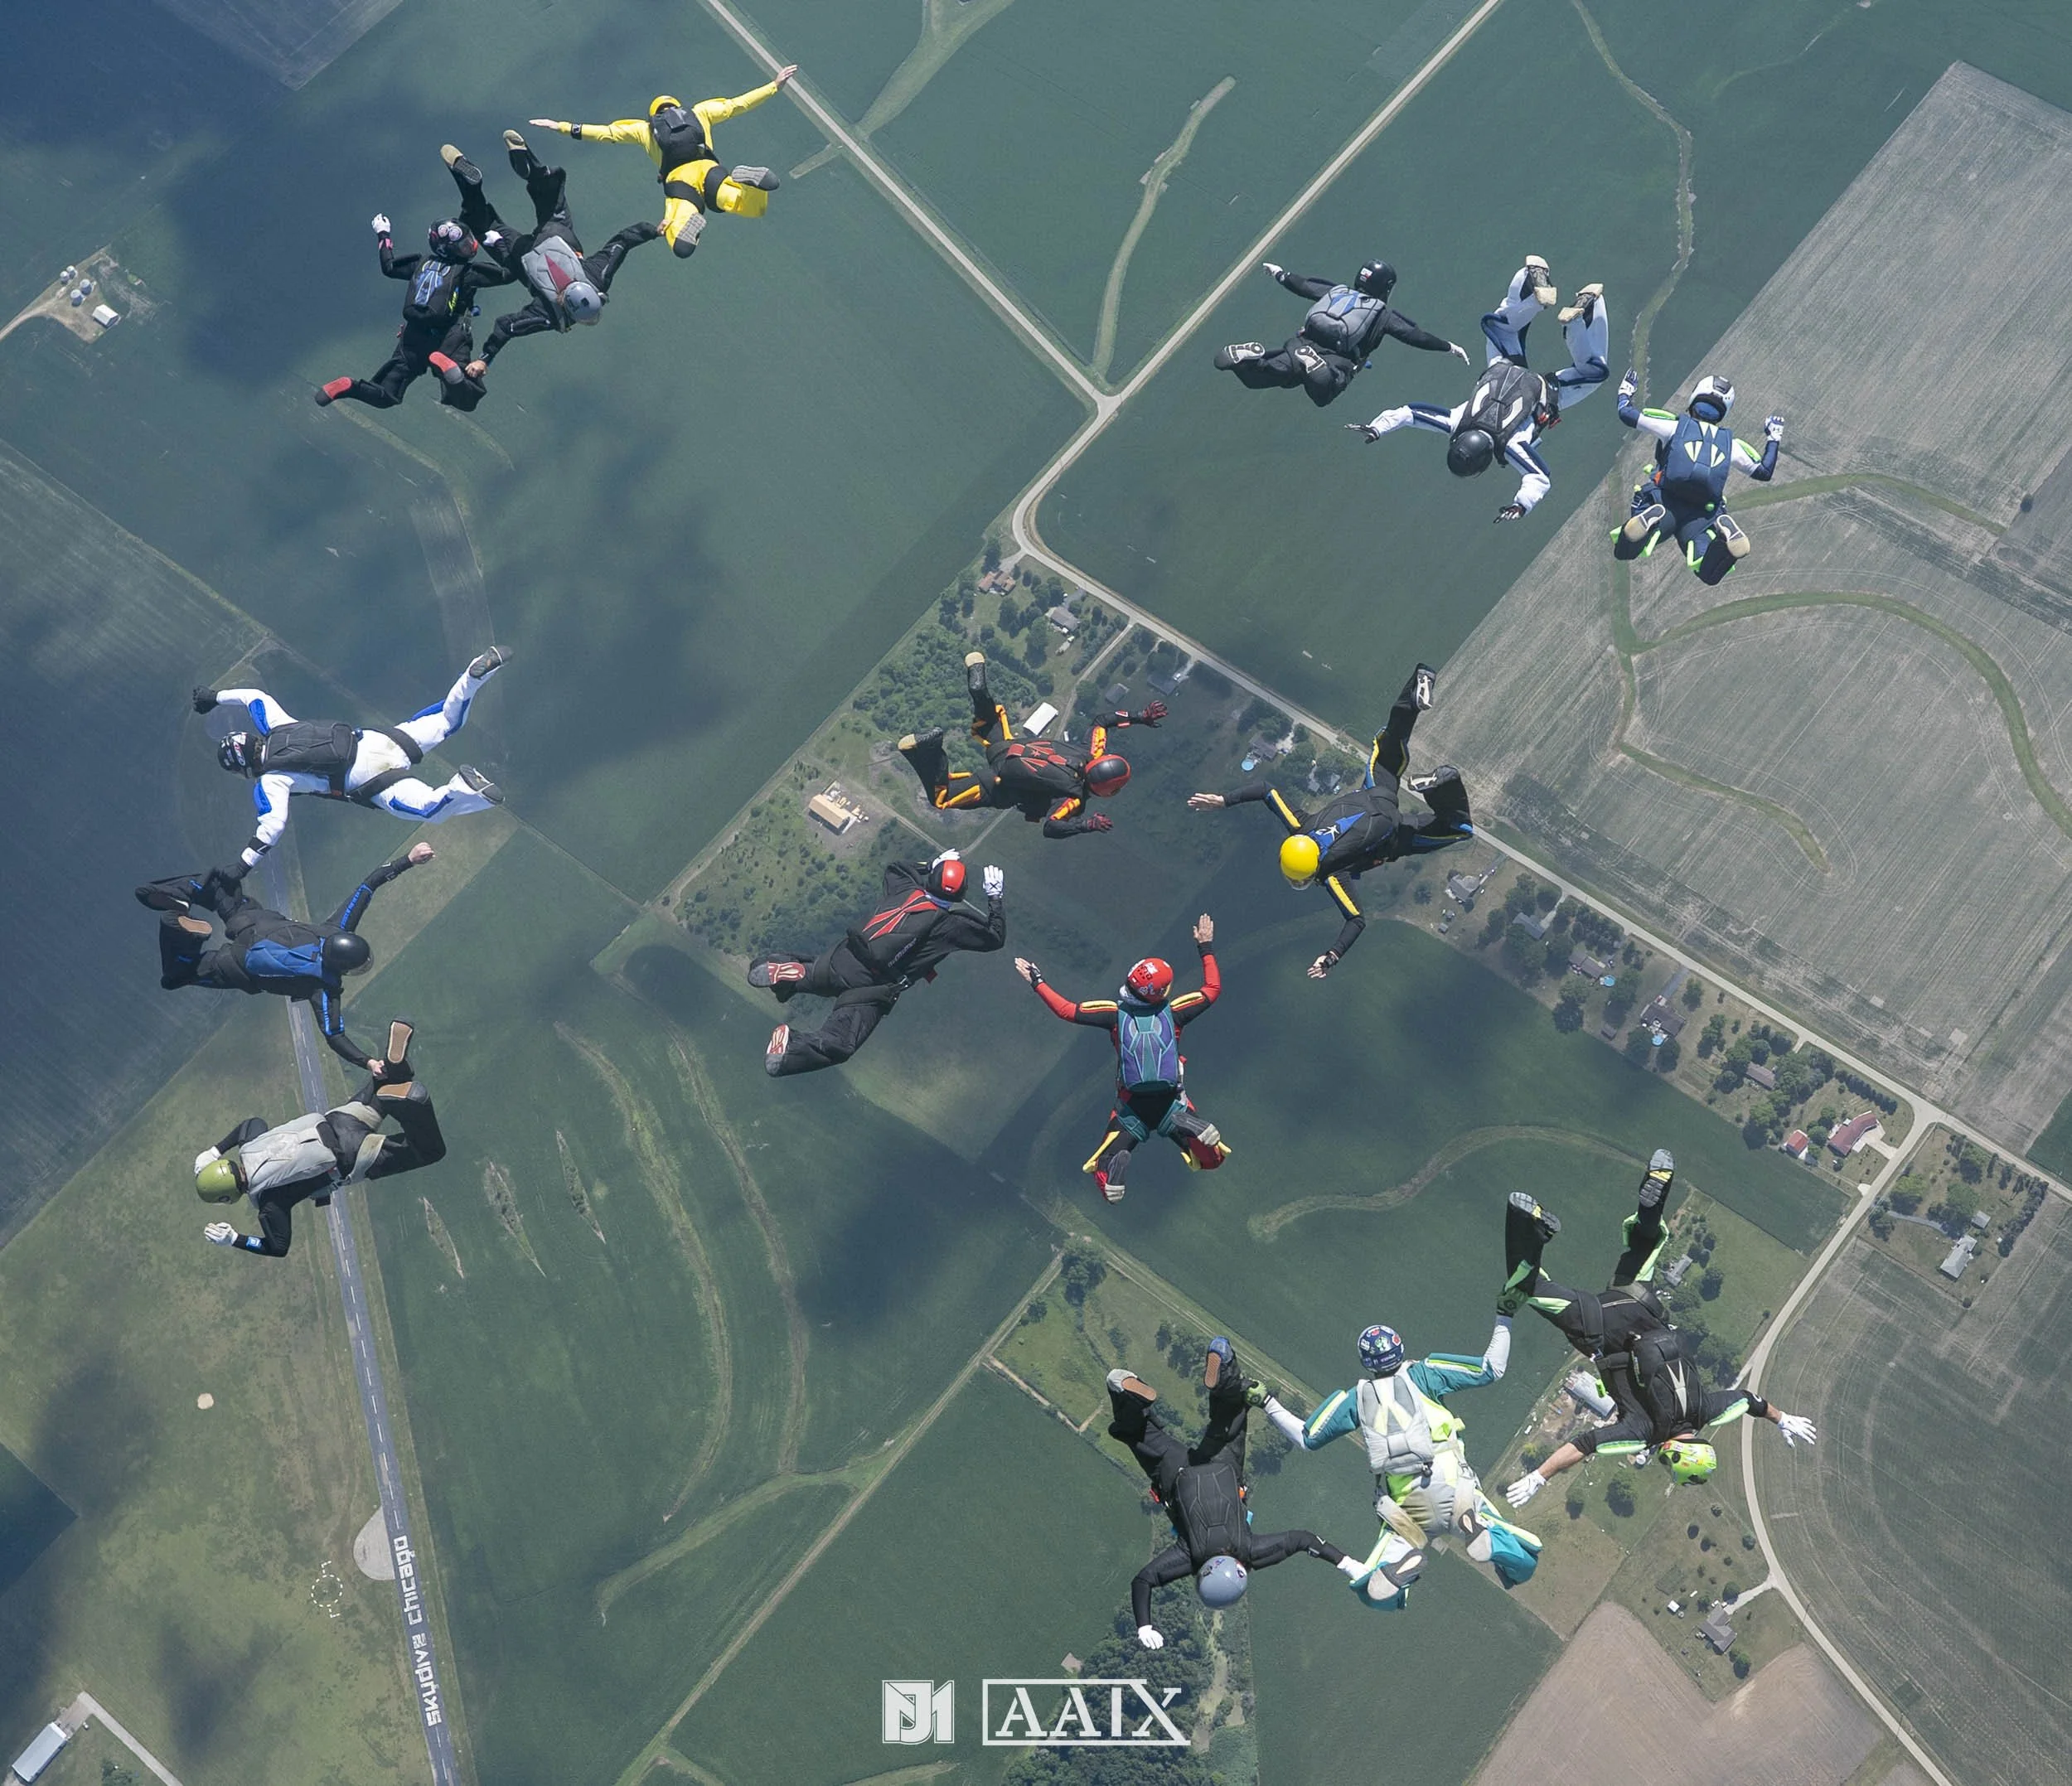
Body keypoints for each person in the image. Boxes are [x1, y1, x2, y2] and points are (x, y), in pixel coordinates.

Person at [1497, 1153, 1818, 1509]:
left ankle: (1657, 1190)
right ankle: (1531, 1224)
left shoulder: (1708, 1410)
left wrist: (1782, 1419)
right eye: (1668, 1461)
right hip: (1598, 1327)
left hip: (1642, 1305)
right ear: (1674, 1453)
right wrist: (1539, 1476)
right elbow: (1585, 1444)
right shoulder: (1643, 1432)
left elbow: (1748, 1401)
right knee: (1526, 1288)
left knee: (1644, 1247)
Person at [1188, 665, 1470, 977]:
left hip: (1396, 833)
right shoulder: (1301, 826)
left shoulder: (1334, 875)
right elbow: (1266, 791)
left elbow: (1356, 921)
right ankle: (1417, 690)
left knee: (1457, 829)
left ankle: (1443, 783)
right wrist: (1225, 800)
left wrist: (1331, 957)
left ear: (1309, 873)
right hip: (1376, 791)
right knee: (1391, 742)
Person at [1261, 1318, 1541, 1609]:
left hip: (1406, 1511)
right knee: (1524, 1561)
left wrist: (1267, 1402)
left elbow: (1307, 1438)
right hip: (1457, 1491)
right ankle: (1487, 1539)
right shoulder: (1425, 1373)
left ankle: (1404, 1567)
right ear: (1400, 1347)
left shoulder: (1357, 1398)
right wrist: (1504, 1316)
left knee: (1372, 1590)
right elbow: (1491, 1369)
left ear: (1366, 1362)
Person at [1109, 1341, 1355, 1650]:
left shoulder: (1251, 1550)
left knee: (1232, 1412)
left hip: (1222, 1467)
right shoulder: (1190, 1557)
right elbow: (1143, 1581)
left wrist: (1347, 1564)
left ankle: (1224, 1365)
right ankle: (1123, 1394)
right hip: (1177, 1474)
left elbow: (1304, 1540)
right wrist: (1144, 1625)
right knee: (1138, 1435)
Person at [195, 647, 509, 882]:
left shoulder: (271, 780)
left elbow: (273, 825)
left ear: (242, 768)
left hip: (370, 779)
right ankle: (472, 677)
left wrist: (242, 865)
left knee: (433, 809)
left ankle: (461, 786)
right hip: (376, 741)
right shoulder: (277, 725)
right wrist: (214, 697)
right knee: (445, 720)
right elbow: (253, 696)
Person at [137, 845, 437, 1074]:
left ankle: (181, 894)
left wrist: (408, 859)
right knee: (177, 976)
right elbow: (334, 1036)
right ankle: (177, 929)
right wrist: (368, 1062)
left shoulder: (334, 928)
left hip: (252, 922)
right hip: (235, 964)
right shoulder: (324, 989)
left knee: (218, 888)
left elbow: (368, 886)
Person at [1014, 914, 1229, 1203]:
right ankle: (1187, 1126)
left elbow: (1066, 1010)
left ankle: (1116, 1171)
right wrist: (1205, 947)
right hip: (1171, 1104)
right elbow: (1213, 989)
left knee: (1103, 1175)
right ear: (1162, 992)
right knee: (1212, 1160)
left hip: (1132, 1108)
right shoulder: (1175, 1012)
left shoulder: (1114, 1014)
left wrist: (1037, 981)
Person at [192, 1021, 445, 1257]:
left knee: (429, 1152)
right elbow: (252, 1123)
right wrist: (216, 1150)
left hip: (352, 1156)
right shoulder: (249, 1144)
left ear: (227, 1197)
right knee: (385, 1083)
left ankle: (413, 1104)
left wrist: (235, 1239)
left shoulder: (269, 1202)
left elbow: (278, 1247)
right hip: (339, 1119)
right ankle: (392, 1073)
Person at [752, 850, 1005, 1076]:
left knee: (813, 974)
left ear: (931, 879)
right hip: (870, 988)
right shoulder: (950, 926)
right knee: (840, 1045)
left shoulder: (905, 887)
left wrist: (931, 863)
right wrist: (995, 897)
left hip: (841, 958)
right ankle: (788, 1052)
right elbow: (995, 937)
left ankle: (787, 972)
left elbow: (896, 867)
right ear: (962, 894)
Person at [438, 135, 661, 375]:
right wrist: (484, 359)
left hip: (558, 235)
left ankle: (534, 170)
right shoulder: (549, 316)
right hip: (519, 256)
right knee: (480, 223)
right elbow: (506, 326)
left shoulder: (597, 277)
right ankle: (469, 185)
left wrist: (655, 230)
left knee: (551, 197)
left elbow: (623, 241)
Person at [528, 65, 798, 259]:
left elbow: (604, 133)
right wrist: (774, 86)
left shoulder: (644, 130)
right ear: (677, 106)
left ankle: (688, 225)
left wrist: (560, 126)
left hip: (680, 183)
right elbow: (736, 104)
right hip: (709, 170)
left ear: (653, 115)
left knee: (676, 237)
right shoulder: (700, 112)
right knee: (748, 205)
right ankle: (745, 183)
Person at [897, 651, 1164, 839]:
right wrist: (1086, 826)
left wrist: (1141, 717)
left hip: (1006, 748)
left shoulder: (1091, 751)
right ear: (1105, 790)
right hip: (998, 784)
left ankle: (979, 685)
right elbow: (1051, 828)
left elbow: (1102, 721)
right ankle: (929, 750)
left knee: (989, 719)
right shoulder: (1074, 799)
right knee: (942, 798)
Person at [314, 214, 513, 410]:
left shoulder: (419, 263)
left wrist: (383, 234)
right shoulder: (467, 272)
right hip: (449, 337)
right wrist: (499, 244)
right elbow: (508, 274)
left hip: (413, 336)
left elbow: (389, 267)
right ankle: (453, 373)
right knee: (467, 399)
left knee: (386, 394)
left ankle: (350, 387)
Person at [1213, 260, 1470, 408]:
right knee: (1324, 393)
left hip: (1299, 344)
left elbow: (1302, 285)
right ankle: (1313, 365)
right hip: (1336, 360)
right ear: (1386, 287)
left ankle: (1249, 358)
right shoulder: (1383, 315)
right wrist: (1448, 347)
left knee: (1260, 377)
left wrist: (1280, 273)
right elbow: (1416, 336)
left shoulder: (1336, 291)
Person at [1614, 370, 1783, 583]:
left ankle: (1648, 520)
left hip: (1665, 500)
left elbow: (1627, 414)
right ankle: (1724, 545)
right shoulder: (1732, 446)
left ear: (1694, 399)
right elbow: (1764, 472)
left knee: (1625, 550)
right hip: (1703, 514)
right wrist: (1774, 436)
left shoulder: (1674, 426)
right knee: (1708, 572)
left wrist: (1625, 391)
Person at [1349, 356, 1563, 522]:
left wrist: (1521, 506)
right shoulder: (1456, 422)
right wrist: (1376, 429)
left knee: (1596, 372)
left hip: (1541, 386)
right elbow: (1410, 413)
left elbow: (1540, 475)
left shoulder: (1509, 445)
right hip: (1501, 365)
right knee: (1498, 322)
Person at [1479, 258, 1609, 409]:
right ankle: (1531, 277)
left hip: (1533, 402)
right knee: (1504, 330)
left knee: (1593, 374)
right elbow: (1445, 417)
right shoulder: (1462, 418)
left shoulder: (1521, 432)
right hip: (1495, 383)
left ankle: (1582, 315)